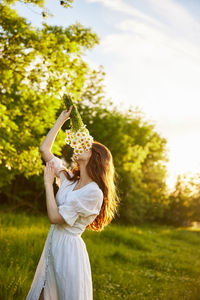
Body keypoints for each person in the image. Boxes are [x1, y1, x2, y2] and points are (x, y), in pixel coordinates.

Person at [26, 106, 120, 300]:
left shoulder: (93, 192)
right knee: (41, 294)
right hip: (54, 244)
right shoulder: (70, 180)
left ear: (96, 158)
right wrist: (61, 120)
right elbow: (44, 149)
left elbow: (55, 218)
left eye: (87, 146)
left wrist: (47, 183)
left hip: (68, 252)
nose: (80, 146)